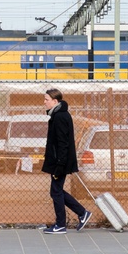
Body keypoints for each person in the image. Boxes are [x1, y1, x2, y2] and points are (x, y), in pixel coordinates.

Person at [40, 88, 91, 234]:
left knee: (56, 192)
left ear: (55, 101)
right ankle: (82, 213)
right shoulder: (58, 115)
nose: (44, 102)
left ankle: (61, 224)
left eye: (46, 99)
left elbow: (63, 143)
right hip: (59, 161)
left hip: (60, 162)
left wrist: (59, 165)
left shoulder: (60, 117)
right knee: (56, 191)